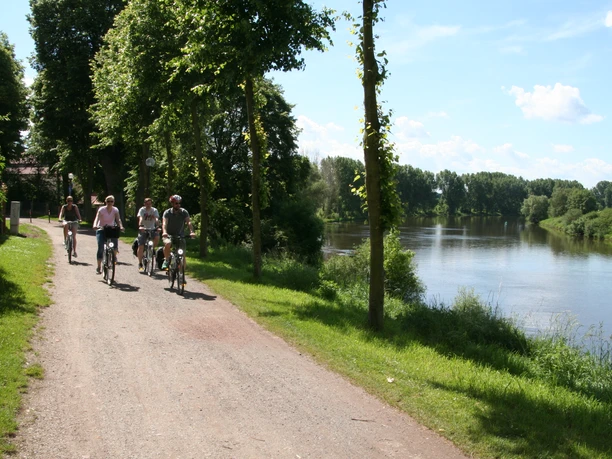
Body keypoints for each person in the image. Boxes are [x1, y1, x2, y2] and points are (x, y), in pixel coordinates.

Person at [161, 194, 195, 271]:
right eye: (176, 203)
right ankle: (166, 260)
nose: (178, 205)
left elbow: (188, 222)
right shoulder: (167, 212)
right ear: (172, 204)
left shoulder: (184, 212)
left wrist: (191, 232)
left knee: (182, 255)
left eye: (179, 203)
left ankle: (182, 276)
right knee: (168, 243)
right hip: (168, 235)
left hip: (180, 236)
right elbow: (164, 223)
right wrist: (165, 232)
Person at [92, 195, 124, 274]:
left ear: (113, 202)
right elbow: (97, 218)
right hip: (101, 229)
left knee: (114, 246)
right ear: (105, 202)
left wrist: (121, 226)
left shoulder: (115, 210)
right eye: (108, 201)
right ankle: (99, 266)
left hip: (111, 229)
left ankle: (114, 256)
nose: (110, 203)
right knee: (101, 247)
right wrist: (95, 225)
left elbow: (118, 219)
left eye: (111, 201)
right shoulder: (102, 209)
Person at [136, 197, 160, 272]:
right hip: (143, 229)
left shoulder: (154, 210)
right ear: (144, 204)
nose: (148, 205)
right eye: (147, 203)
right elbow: (140, 218)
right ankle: (140, 263)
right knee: (141, 246)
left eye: (150, 203)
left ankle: (151, 249)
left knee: (157, 237)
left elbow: (156, 219)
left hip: (152, 228)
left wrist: (158, 226)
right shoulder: (142, 210)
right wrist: (140, 225)